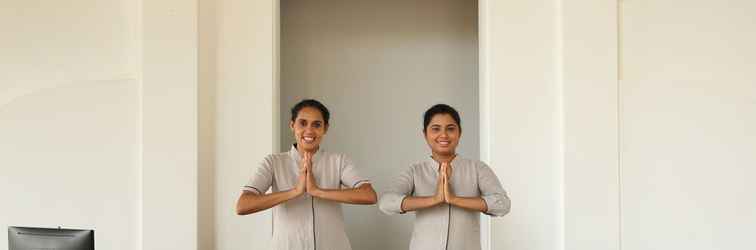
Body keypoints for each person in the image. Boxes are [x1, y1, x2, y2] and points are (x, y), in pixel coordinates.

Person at [236, 99, 377, 250]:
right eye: (303, 123)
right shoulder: (273, 162)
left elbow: (369, 195)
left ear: (325, 128)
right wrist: (295, 191)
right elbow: (243, 205)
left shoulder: (339, 161)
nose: (309, 131)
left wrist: (317, 191)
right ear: (292, 125)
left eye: (316, 124)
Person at [379, 104, 510, 250]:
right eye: (436, 129)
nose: (444, 135)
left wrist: (455, 199)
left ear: (459, 133)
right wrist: (434, 199)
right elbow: (386, 203)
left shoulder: (477, 168)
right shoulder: (415, 171)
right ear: (425, 134)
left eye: (450, 129)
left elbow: (503, 204)